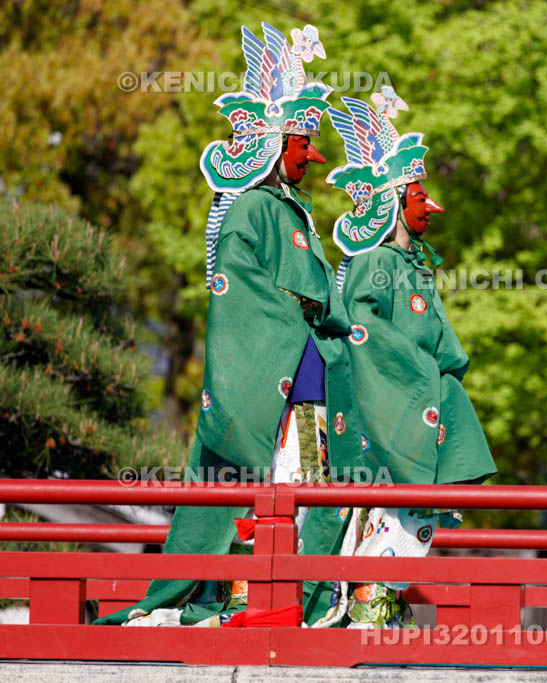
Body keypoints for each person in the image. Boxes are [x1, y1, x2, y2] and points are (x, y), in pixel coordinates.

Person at [95, 22, 365, 628]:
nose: (312, 158)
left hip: (303, 378)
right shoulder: (256, 208)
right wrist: (330, 314)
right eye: (303, 145)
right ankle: (257, 599)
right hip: (283, 377)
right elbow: (283, 294)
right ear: (275, 143)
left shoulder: (279, 207)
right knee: (276, 488)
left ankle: (304, 600)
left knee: (306, 489)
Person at [309, 88, 496, 628]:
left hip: (419, 402)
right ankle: (365, 603)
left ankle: (378, 602)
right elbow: (364, 334)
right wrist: (426, 381)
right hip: (388, 410)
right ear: (394, 201)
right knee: (388, 504)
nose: (430, 206)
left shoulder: (410, 264)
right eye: (419, 196)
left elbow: (441, 340)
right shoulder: (373, 265)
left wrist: (440, 377)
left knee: (416, 508)